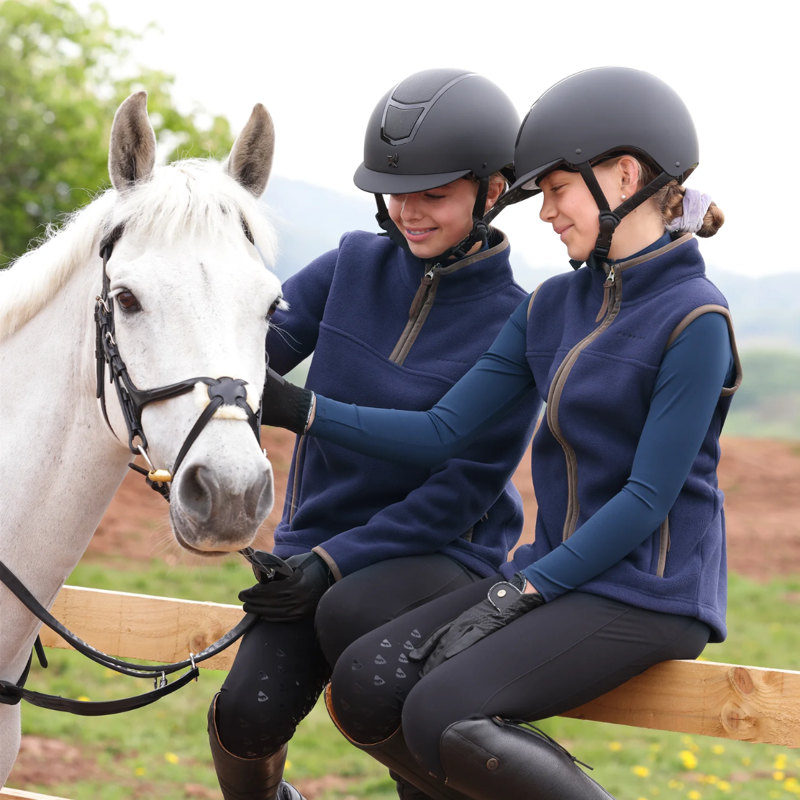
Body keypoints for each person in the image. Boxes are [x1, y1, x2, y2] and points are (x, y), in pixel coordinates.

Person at [260, 67, 742, 799]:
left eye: (556, 189)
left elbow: (647, 499)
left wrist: (523, 588)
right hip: (557, 570)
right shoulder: (551, 306)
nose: (543, 211)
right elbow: (439, 431)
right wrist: (302, 410)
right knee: (365, 681)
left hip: (649, 593)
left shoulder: (695, 319)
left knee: (442, 714)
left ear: (623, 175)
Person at [207, 68, 539, 800]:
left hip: (438, 555)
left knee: (374, 680)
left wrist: (331, 563)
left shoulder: (517, 321)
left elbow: (459, 494)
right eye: (395, 192)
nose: (409, 212)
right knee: (243, 717)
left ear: (493, 191)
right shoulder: (351, 263)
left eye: (434, 194)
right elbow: (258, 359)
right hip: (312, 556)